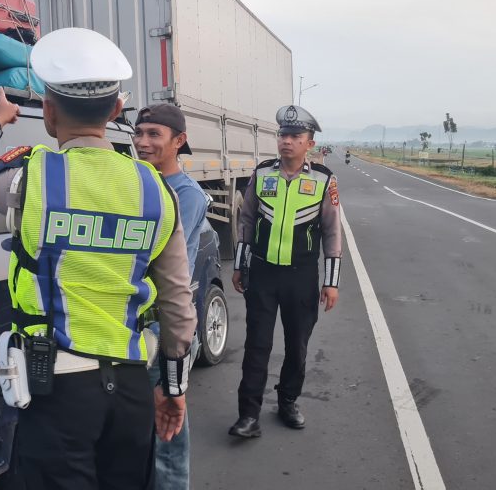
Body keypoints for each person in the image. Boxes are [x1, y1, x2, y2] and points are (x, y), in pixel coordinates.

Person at [0, 27, 197, 489]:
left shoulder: (31, 178)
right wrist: (173, 388)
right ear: (116, 110)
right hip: (131, 391)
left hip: (57, 390)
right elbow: (177, 303)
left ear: (48, 111)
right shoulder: (157, 189)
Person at [229, 104, 342, 438]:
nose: (287, 141)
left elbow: (332, 232)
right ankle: (248, 415)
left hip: (301, 277)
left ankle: (288, 401)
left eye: (295, 136)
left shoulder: (323, 179)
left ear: (310, 143)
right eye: (283, 135)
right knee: (257, 345)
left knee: (297, 346)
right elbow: (247, 220)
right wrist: (240, 265)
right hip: (263, 274)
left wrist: (331, 282)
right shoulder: (262, 173)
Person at [133, 104, 210, 490]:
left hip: (165, 328)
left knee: (168, 435)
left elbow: (152, 258)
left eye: (153, 134)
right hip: (133, 327)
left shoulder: (185, 195)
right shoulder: (136, 182)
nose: (142, 142)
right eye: (139, 132)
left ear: (179, 141)